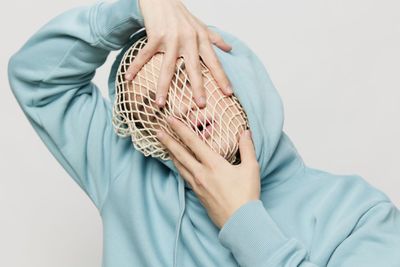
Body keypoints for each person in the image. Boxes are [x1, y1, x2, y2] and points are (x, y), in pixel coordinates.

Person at [7, 0, 400, 266]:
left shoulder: (358, 214)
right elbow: (37, 79)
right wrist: (138, 6)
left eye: (184, 76)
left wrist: (244, 223)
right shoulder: (128, 176)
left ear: (236, 72)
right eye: (152, 107)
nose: (178, 109)